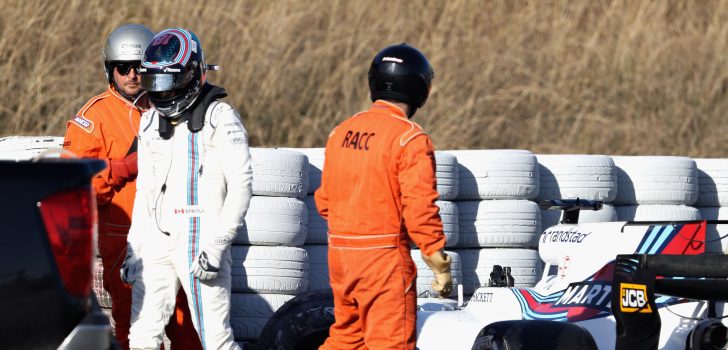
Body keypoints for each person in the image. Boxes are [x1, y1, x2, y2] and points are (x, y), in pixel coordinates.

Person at [63, 24, 201, 350]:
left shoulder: (171, 107)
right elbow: (75, 185)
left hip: (173, 233)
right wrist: (125, 167)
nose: (131, 75)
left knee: (186, 323)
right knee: (134, 324)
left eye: (139, 67)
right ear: (110, 70)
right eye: (122, 68)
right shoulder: (91, 119)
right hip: (124, 240)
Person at [314, 43, 453, 349]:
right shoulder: (409, 138)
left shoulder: (341, 132)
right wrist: (438, 262)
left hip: (340, 255)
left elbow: (324, 202)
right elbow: (419, 209)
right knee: (390, 343)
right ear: (419, 87)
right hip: (383, 259)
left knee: (346, 338)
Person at [122, 28, 252, 350]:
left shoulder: (220, 117)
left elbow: (242, 184)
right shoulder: (149, 121)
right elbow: (146, 188)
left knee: (215, 341)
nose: (163, 94)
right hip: (155, 241)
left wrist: (218, 244)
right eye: (155, 84)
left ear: (192, 74)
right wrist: (133, 246)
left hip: (201, 241)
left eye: (169, 84)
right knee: (141, 336)